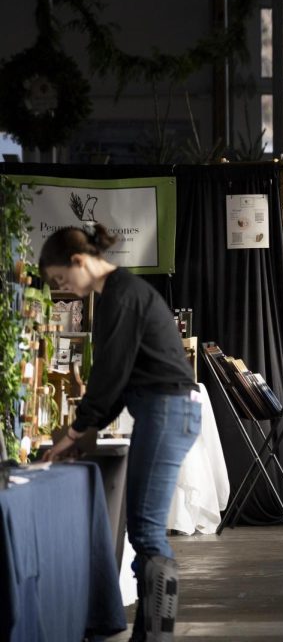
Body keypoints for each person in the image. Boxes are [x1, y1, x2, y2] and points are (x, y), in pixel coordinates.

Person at [41, 224, 200, 640]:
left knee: (146, 531)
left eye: (61, 279)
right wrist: (80, 432)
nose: (65, 289)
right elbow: (117, 381)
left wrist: (74, 433)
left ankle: (156, 637)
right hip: (162, 409)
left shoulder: (120, 294)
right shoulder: (119, 292)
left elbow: (110, 375)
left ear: (78, 261)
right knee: (142, 530)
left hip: (167, 408)